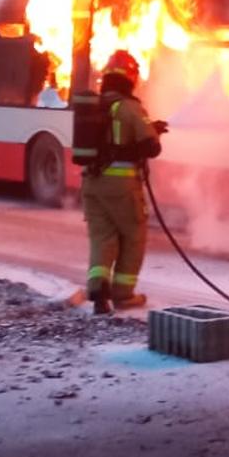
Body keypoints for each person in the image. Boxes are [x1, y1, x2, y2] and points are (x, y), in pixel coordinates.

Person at [83, 50, 166, 316]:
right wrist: (153, 131)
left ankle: (98, 289)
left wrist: (148, 128)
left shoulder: (96, 106)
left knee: (102, 238)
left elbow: (114, 139)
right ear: (130, 77)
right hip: (121, 188)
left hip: (92, 185)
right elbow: (151, 147)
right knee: (133, 237)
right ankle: (123, 295)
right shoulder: (130, 106)